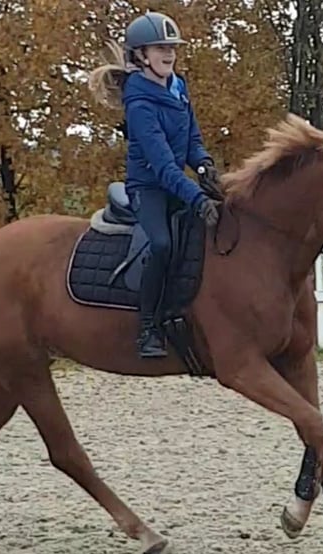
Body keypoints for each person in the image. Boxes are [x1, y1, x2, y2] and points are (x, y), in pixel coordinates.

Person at [88, 11, 223, 359]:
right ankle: (147, 327)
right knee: (162, 244)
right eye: (159, 48)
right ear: (140, 55)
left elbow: (192, 139)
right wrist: (196, 197)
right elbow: (162, 166)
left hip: (176, 183)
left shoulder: (178, 87)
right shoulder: (139, 101)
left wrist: (205, 165)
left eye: (171, 48)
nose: (168, 54)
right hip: (148, 188)